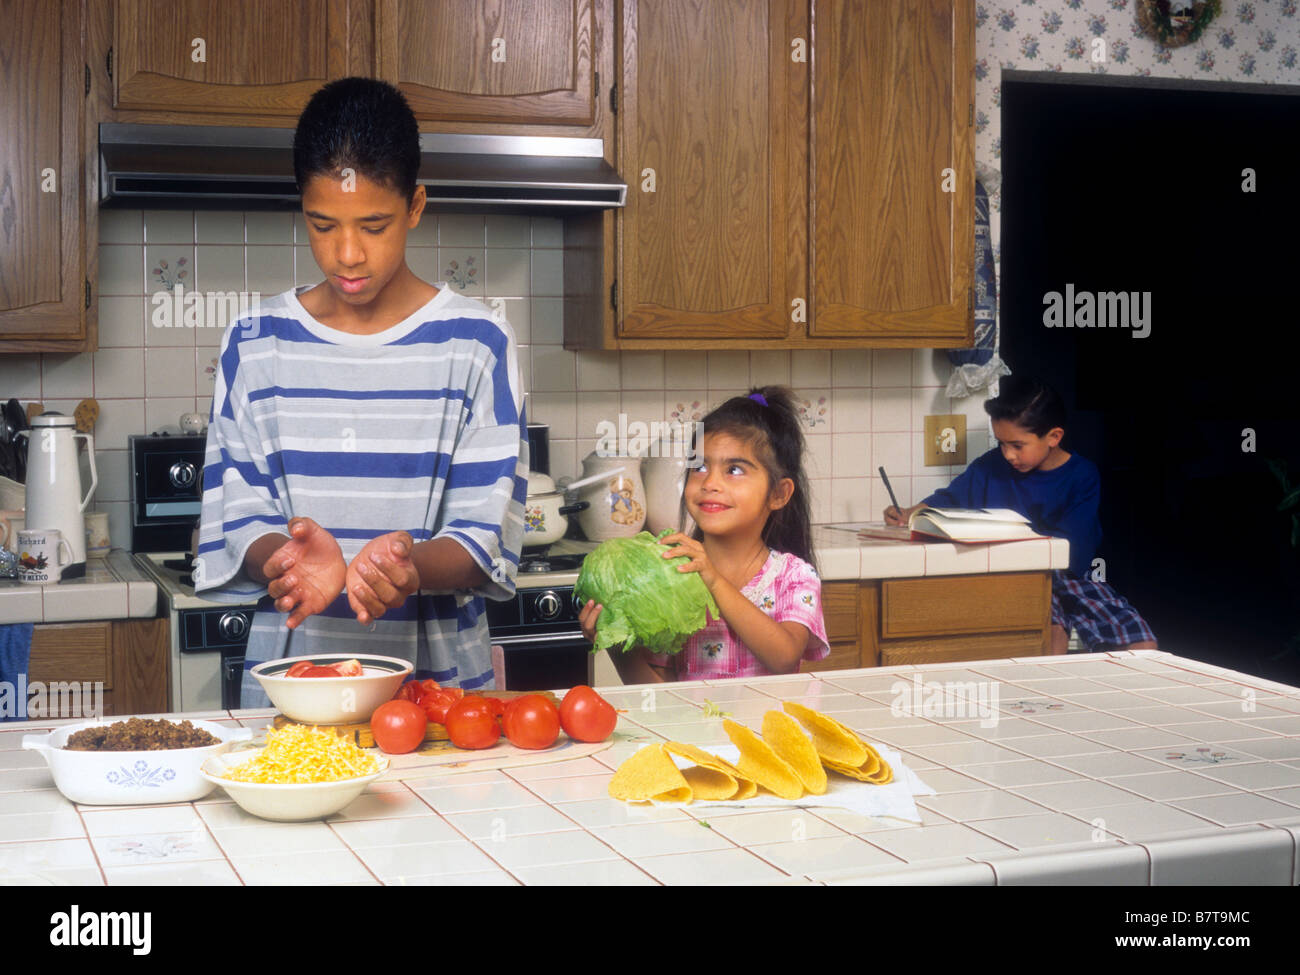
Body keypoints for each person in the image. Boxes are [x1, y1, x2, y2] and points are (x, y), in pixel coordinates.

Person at [195, 77, 527, 706]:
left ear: (417, 206)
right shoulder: (254, 342)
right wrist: (289, 560)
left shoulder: (478, 343)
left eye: (373, 226)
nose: (347, 254)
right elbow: (236, 516)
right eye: (323, 225)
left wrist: (407, 567)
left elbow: (485, 535)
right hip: (291, 692)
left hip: (440, 698)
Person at [884, 375, 1156, 654]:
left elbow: (1076, 549)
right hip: (1016, 575)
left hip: (1072, 574)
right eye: (1001, 443)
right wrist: (910, 512)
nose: (1007, 455)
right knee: (1050, 638)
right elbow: (950, 498)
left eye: (1017, 445)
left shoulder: (1082, 475)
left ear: (1054, 437)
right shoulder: (990, 466)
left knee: (1142, 641)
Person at [580, 386, 829, 681]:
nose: (710, 482)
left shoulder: (794, 576)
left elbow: (785, 658)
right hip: (694, 729)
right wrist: (617, 646)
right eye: (699, 466)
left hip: (765, 728)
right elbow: (663, 699)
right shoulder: (673, 574)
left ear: (778, 493)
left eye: (734, 470)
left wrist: (713, 579)